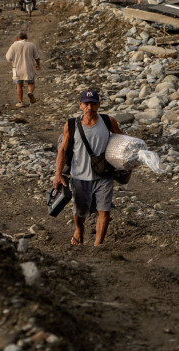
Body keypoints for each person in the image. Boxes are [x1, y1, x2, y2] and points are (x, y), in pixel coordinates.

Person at [53, 90, 124, 246]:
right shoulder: (71, 124)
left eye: (93, 104)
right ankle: (79, 229)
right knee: (80, 212)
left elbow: (122, 140)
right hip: (80, 175)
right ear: (80, 105)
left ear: (99, 105)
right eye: (86, 104)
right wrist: (58, 174)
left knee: (104, 210)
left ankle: (98, 245)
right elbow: (62, 150)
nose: (89, 107)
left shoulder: (108, 121)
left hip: (104, 174)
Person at [5, 31, 40, 107]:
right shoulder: (31, 45)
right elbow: (37, 57)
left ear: (17, 38)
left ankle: (21, 102)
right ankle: (30, 92)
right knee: (31, 83)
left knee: (19, 86)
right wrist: (38, 65)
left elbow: (8, 58)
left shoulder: (13, 46)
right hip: (29, 68)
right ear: (26, 37)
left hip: (17, 69)